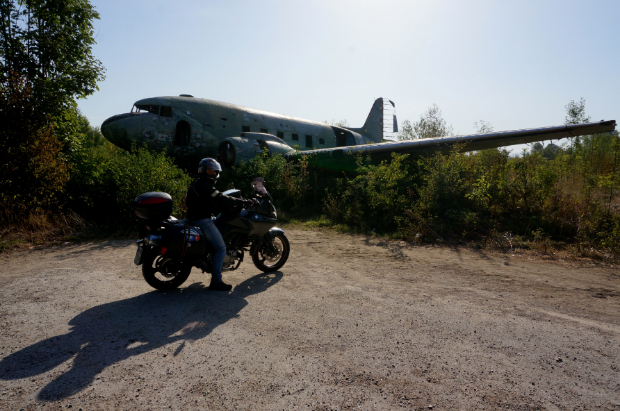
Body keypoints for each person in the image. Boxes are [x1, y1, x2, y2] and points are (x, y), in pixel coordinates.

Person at [185, 158, 252, 291]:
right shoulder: (206, 186)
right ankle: (216, 281)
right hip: (202, 220)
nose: (213, 174)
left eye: (214, 171)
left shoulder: (197, 184)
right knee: (221, 248)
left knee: (217, 223)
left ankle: (208, 259)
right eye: (210, 171)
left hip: (194, 218)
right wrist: (243, 202)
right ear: (203, 171)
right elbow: (222, 198)